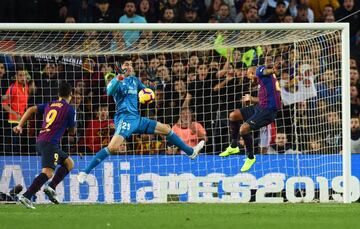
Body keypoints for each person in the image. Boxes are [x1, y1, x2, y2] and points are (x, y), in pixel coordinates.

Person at [77, 58, 204, 183]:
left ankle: (190, 152)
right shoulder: (116, 81)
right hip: (125, 118)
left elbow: (147, 93)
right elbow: (109, 91)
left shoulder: (134, 80)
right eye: (127, 64)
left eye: (131, 65)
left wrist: (153, 84)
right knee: (112, 148)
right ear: (121, 67)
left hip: (137, 118)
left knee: (166, 129)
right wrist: (120, 75)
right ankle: (85, 172)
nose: (130, 66)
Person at [13, 81, 76, 209]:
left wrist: (20, 125)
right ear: (71, 94)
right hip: (50, 143)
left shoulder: (50, 104)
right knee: (48, 173)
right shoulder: (70, 109)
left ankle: (51, 187)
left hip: (42, 140)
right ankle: (26, 196)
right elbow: (72, 132)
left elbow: (31, 109)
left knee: (69, 163)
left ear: (58, 94)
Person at [219, 64, 281, 172]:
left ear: (253, 73)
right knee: (233, 116)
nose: (249, 79)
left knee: (243, 129)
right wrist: (251, 99)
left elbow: (265, 71)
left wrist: (272, 70)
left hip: (267, 112)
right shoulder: (264, 82)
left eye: (249, 76)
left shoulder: (260, 71)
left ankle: (250, 157)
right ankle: (234, 146)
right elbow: (264, 99)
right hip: (260, 107)